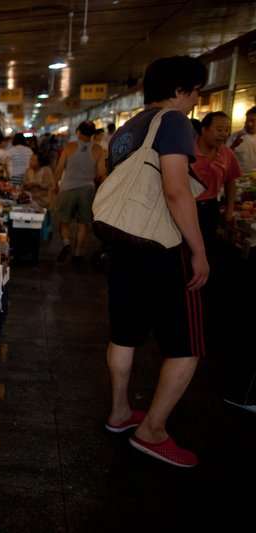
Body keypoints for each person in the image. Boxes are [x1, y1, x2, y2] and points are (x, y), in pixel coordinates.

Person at [102, 55, 209, 468]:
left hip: (124, 246)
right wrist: (199, 251)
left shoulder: (125, 130)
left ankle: (120, 412)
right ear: (180, 89)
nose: (196, 100)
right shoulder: (174, 122)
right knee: (187, 345)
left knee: (124, 335)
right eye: (196, 91)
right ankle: (152, 430)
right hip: (162, 249)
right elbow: (176, 191)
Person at [52, 121, 106, 265]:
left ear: (78, 132)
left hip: (68, 188)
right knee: (83, 223)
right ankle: (77, 253)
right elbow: (101, 172)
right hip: (87, 189)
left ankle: (65, 243)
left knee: (64, 220)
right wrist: (94, 180)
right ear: (93, 134)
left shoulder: (69, 146)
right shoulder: (98, 149)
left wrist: (54, 184)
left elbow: (59, 168)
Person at [191, 111, 241, 248]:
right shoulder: (187, 151)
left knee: (205, 247)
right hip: (188, 207)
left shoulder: (227, 153)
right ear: (204, 129)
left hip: (211, 209)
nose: (224, 134)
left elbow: (231, 181)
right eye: (219, 130)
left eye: (227, 130)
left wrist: (229, 210)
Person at [227, 105, 256, 174]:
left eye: (253, 121)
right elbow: (225, 156)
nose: (249, 124)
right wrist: (234, 145)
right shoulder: (236, 136)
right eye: (247, 120)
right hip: (238, 177)